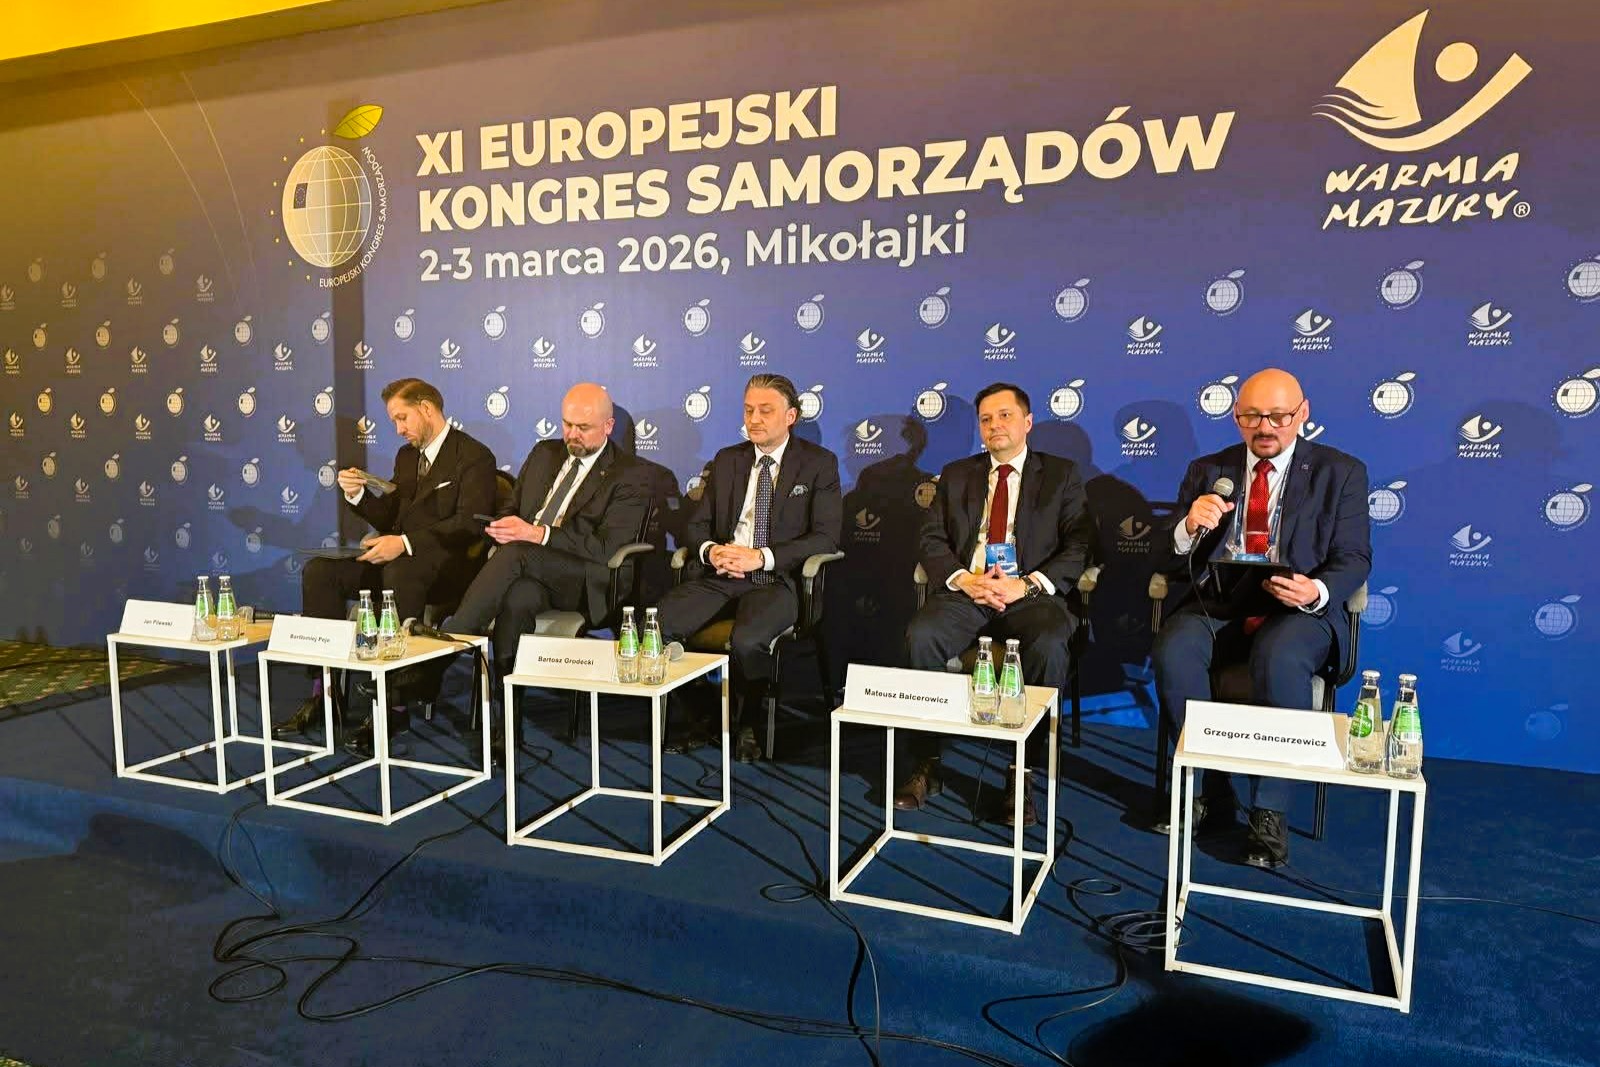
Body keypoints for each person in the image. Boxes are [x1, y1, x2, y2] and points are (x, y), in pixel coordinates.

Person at [1150, 367, 1370, 868]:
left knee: (1278, 653)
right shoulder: (1209, 470)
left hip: (1297, 609)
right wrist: (1188, 526)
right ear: (1236, 417)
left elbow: (1354, 557)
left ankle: (1268, 811)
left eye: (1278, 416)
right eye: (1251, 416)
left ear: (1302, 413)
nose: (1264, 427)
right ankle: (1205, 789)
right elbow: (1169, 558)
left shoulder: (1341, 472)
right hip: (1220, 603)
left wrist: (1315, 590)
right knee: (1174, 647)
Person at [897, 382, 1093, 826]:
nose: (995, 426)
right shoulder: (957, 474)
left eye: (1005, 416)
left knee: (1048, 643)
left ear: (1028, 422)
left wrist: (1027, 585)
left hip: (1030, 595)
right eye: (986, 419)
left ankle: (1022, 772)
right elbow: (931, 538)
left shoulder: (1061, 475)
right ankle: (927, 761)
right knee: (921, 635)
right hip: (969, 592)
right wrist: (964, 579)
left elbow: (1080, 544)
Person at [273, 377, 496, 755]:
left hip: (449, 573)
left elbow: (470, 525)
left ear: (427, 409)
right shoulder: (407, 457)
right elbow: (392, 515)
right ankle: (325, 692)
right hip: (399, 566)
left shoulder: (474, 456)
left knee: (399, 571)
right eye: (394, 421)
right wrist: (357, 495)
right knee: (321, 573)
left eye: (402, 418)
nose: (398, 429)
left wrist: (404, 543)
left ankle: (393, 706)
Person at [442, 383, 652, 732]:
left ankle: (449, 644)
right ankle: (507, 723)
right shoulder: (544, 453)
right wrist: (502, 527)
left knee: (518, 554)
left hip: (586, 578)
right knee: (517, 598)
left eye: (583, 427)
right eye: (567, 424)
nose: (572, 434)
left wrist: (537, 534)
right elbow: (512, 509)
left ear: (608, 426)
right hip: (528, 571)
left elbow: (606, 547)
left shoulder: (632, 474)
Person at [655, 373, 842, 763]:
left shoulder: (818, 464)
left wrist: (762, 557)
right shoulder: (728, 460)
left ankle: (748, 723)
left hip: (777, 580)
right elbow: (695, 526)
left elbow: (826, 538)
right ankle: (706, 714)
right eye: (748, 410)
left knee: (747, 640)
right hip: (721, 575)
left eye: (765, 411)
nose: (754, 419)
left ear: (790, 416)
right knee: (655, 628)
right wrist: (711, 551)